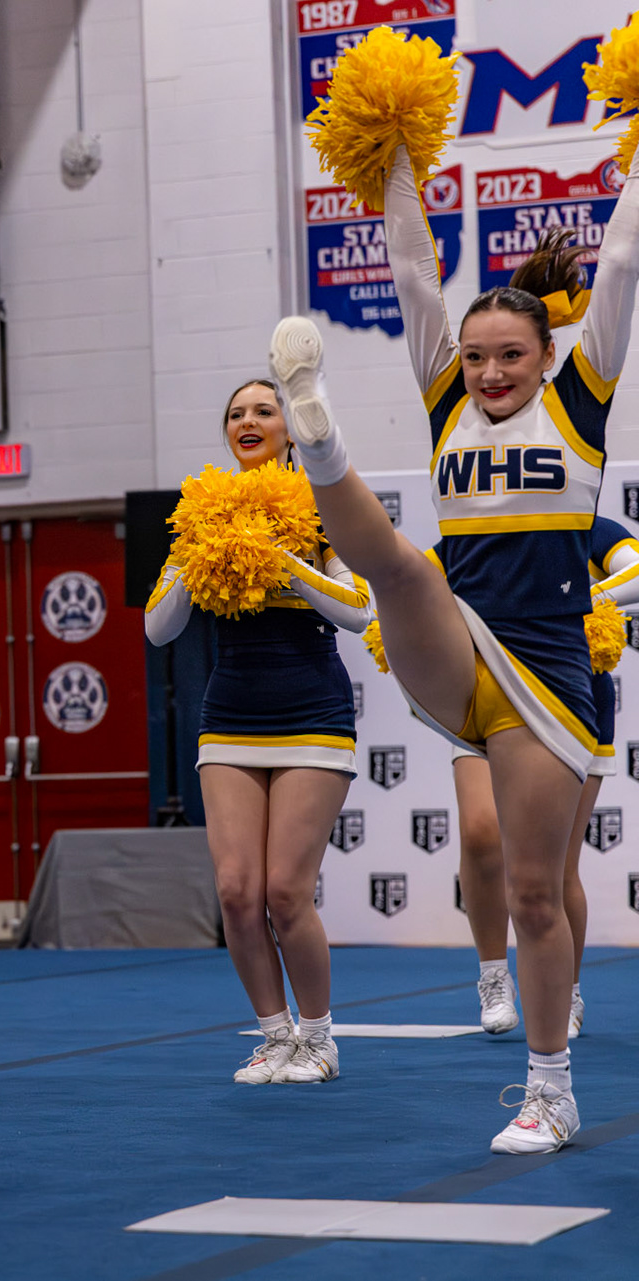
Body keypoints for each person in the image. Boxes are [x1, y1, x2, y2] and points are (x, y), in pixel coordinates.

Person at [269, 127, 639, 1151]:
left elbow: (619, 262)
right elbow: (412, 274)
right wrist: (390, 147)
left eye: (509, 355)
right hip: (457, 641)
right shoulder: (445, 404)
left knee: (533, 890)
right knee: (401, 567)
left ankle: (551, 1090)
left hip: (547, 670)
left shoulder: (580, 404)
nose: (487, 372)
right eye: (474, 357)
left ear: (549, 355)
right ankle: (319, 437)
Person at [145, 380, 369, 1086]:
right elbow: (158, 627)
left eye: (263, 410)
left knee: (285, 891)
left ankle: (319, 1038)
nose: (248, 420)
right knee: (237, 891)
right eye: (236, 413)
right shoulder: (201, 514)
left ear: (290, 429)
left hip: (312, 714)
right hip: (230, 715)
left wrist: (282, 560)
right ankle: (274, 1037)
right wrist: (201, 553)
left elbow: (359, 609)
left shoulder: (324, 505)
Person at [449, 514, 639, 1038]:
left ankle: (565, 990)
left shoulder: (589, 527)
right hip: (486, 693)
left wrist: (567, 603)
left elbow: (636, 573)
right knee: (480, 833)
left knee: (556, 867)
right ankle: (493, 976)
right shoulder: (474, 528)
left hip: (571, 697)